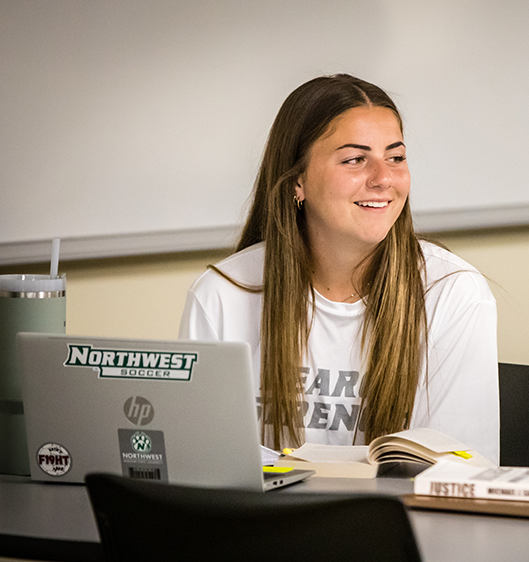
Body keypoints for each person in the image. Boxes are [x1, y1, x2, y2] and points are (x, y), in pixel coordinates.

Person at [179, 74, 499, 462]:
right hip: (266, 522)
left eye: (396, 157)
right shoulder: (223, 293)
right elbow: (201, 469)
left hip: (398, 522)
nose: (384, 178)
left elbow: (456, 476)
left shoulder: (452, 292)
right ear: (298, 181)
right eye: (355, 160)